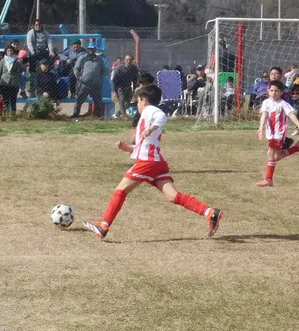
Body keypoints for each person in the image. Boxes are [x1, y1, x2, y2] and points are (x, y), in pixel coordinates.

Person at [81, 84, 223, 241]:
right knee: (173, 196)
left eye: (138, 101)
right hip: (156, 161)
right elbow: (145, 145)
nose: (137, 104)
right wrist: (127, 148)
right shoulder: (147, 116)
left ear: (144, 100)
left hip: (148, 162)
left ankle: (103, 226)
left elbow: (162, 117)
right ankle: (209, 212)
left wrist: (150, 129)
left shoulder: (150, 110)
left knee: (120, 190)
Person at [256, 80, 299, 187]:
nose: (274, 93)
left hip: (279, 133)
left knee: (271, 154)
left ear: (281, 92)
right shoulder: (266, 102)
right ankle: (297, 147)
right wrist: (261, 128)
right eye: (272, 90)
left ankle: (268, 180)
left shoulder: (283, 104)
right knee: (276, 156)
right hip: (270, 133)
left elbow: (291, 115)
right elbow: (264, 115)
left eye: (276, 91)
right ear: (268, 91)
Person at [73, 41, 106, 118]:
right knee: (79, 101)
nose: (91, 50)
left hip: (95, 85)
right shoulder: (82, 58)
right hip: (84, 84)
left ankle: (98, 116)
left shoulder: (99, 59)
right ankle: (75, 115)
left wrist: (100, 79)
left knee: (98, 101)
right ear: (87, 49)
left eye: (93, 48)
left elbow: (103, 70)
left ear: (95, 49)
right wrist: (80, 78)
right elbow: (76, 69)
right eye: (90, 48)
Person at [111, 54, 139, 119]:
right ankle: (124, 116)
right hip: (120, 87)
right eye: (127, 60)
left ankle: (117, 114)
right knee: (122, 100)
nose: (128, 61)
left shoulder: (134, 68)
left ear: (132, 61)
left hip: (128, 87)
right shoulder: (119, 68)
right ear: (124, 60)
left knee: (127, 104)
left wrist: (134, 90)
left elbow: (135, 80)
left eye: (130, 60)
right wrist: (114, 91)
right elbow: (114, 80)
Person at [0, 44, 23, 114]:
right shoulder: (3, 60)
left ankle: (13, 115)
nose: (10, 52)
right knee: (5, 101)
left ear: (13, 52)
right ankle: (6, 115)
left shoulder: (16, 60)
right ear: (6, 52)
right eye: (8, 51)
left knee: (13, 101)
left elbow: (20, 70)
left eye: (11, 51)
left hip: (14, 83)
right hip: (4, 83)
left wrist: (20, 64)